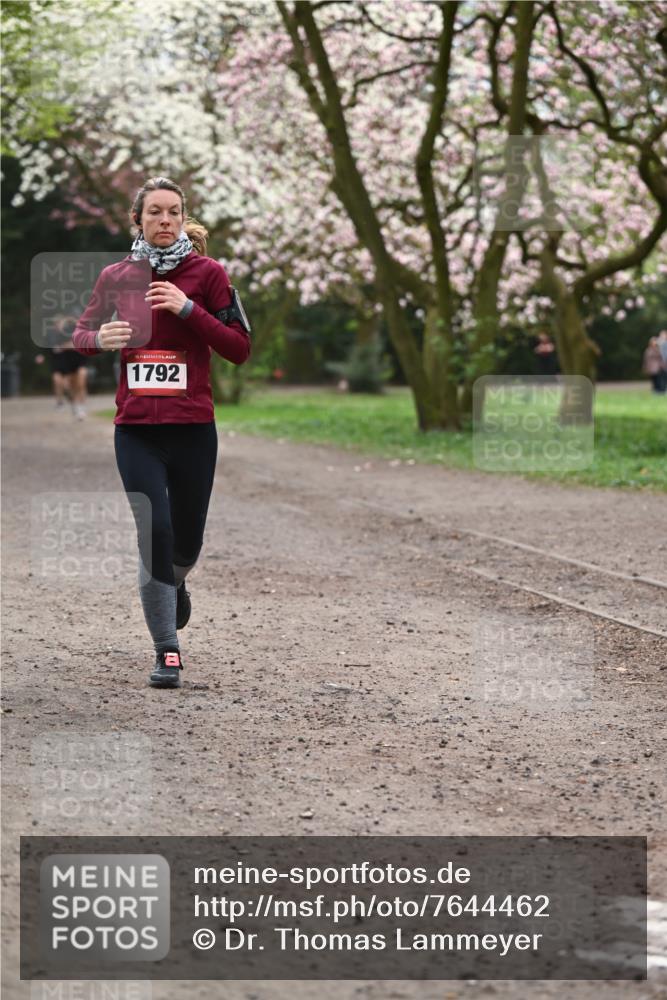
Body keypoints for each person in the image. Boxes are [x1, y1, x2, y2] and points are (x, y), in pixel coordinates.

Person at [72, 176, 251, 688]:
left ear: (183, 218)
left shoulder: (209, 274)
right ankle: (166, 650)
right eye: (154, 212)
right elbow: (82, 337)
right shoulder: (116, 276)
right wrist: (99, 338)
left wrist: (188, 309)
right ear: (139, 220)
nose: (165, 220)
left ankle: (175, 584)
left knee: (186, 544)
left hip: (194, 429)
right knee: (156, 530)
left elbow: (239, 349)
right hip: (136, 431)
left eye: (173, 211)